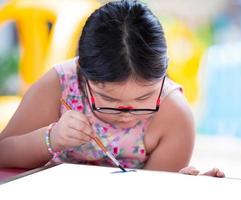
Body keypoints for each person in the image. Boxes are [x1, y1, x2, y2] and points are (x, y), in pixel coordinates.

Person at [0, 0, 224, 177]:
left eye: (144, 98)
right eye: (107, 99)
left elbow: (154, 191)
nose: (126, 114)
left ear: (162, 77)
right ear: (81, 72)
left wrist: (180, 187)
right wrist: (52, 138)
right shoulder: (60, 85)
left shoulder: (173, 113)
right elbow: (3, 154)